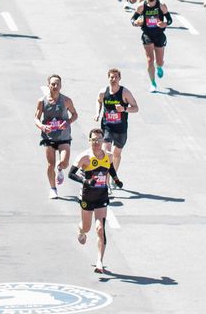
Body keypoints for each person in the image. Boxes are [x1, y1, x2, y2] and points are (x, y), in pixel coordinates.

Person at [67, 129, 116, 274]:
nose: (96, 142)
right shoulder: (84, 157)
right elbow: (71, 174)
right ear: (89, 141)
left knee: (100, 229)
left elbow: (110, 167)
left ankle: (99, 262)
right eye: (93, 140)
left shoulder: (108, 155)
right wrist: (85, 181)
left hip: (102, 196)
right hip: (87, 196)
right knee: (87, 228)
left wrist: (116, 179)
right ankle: (80, 230)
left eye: (99, 139)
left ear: (102, 141)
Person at [96, 68, 140, 189]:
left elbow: (136, 108)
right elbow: (99, 101)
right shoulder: (103, 92)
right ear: (108, 78)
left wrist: (124, 109)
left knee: (116, 154)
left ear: (119, 78)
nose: (113, 79)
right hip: (107, 127)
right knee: (107, 152)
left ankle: (113, 177)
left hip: (121, 129)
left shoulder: (125, 92)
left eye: (116, 77)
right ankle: (105, 182)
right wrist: (97, 113)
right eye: (111, 77)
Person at [35, 75, 78, 197]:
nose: (55, 86)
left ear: (61, 86)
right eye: (53, 84)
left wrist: (68, 122)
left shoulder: (66, 100)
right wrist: (42, 127)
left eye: (57, 84)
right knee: (50, 164)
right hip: (48, 137)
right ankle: (53, 189)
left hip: (63, 136)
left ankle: (60, 169)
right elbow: (36, 118)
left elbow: (75, 114)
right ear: (48, 85)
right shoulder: (42, 101)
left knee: (64, 162)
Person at [134, 0, 172, 92]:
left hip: (159, 35)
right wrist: (136, 23)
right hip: (147, 35)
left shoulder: (161, 5)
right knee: (150, 60)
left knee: (159, 61)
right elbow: (133, 19)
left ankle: (159, 67)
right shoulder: (141, 6)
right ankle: (153, 83)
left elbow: (170, 20)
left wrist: (165, 23)